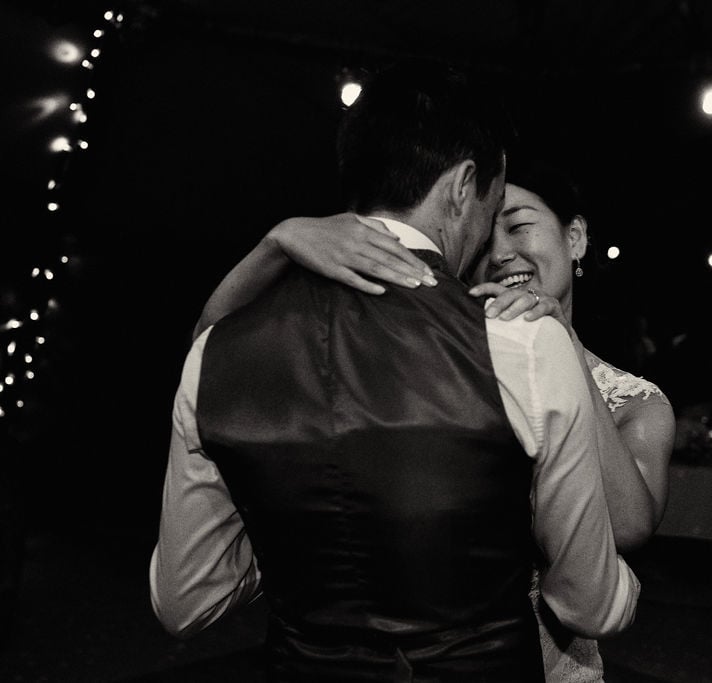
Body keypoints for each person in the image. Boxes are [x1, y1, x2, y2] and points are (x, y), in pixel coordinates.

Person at [149, 61, 640, 682]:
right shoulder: (524, 346)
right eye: (495, 202)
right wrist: (623, 592)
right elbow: (587, 604)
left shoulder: (214, 353)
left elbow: (186, 600)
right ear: (465, 185)